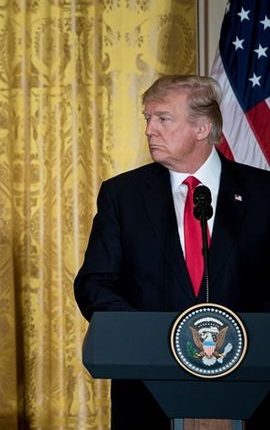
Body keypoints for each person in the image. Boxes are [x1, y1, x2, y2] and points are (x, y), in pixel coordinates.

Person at [74, 75, 270, 429]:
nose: (150, 129)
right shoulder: (123, 195)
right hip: (148, 395)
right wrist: (147, 334)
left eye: (163, 118)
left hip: (251, 390)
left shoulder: (263, 193)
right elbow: (95, 283)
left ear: (202, 127)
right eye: (148, 118)